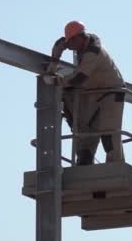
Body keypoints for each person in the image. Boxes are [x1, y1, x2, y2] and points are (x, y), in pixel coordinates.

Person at [45, 21, 126, 165]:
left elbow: (79, 77)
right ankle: (84, 161)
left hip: (111, 93)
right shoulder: (82, 46)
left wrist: (57, 81)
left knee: (109, 133)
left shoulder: (94, 51)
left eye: (71, 43)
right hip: (92, 93)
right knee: (84, 130)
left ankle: (115, 165)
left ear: (79, 38)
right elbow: (60, 50)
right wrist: (54, 61)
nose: (70, 48)